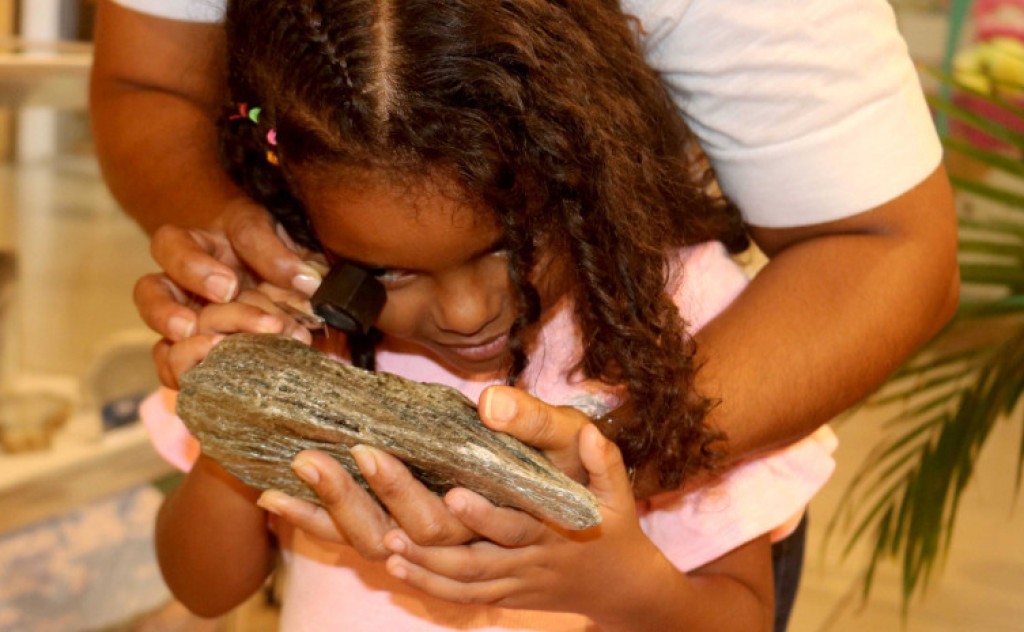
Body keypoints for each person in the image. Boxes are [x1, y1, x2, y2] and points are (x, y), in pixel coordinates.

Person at [90, 0, 960, 628]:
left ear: (583, 169)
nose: (469, 312)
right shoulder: (309, 328)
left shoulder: (675, 331)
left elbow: (735, 614)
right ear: (301, 220)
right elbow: (204, 586)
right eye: (388, 269)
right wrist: (244, 424)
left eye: (512, 244)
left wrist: (608, 578)